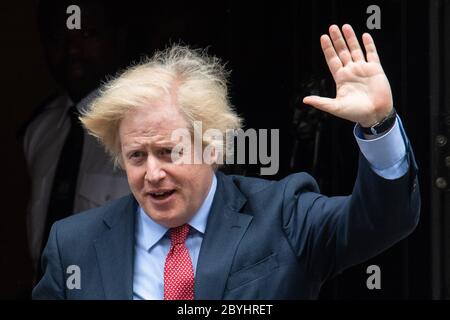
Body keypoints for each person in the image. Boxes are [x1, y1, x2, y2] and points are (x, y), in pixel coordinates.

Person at [32, 24, 420, 299]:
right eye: (137, 156)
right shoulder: (73, 245)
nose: (152, 173)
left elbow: (382, 220)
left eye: (170, 151)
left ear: (213, 148)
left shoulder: (283, 215)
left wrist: (376, 124)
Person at [24, 0, 131, 280]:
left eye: (87, 34)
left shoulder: (155, 129)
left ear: (118, 37)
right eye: (59, 38)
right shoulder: (39, 131)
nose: (72, 49)